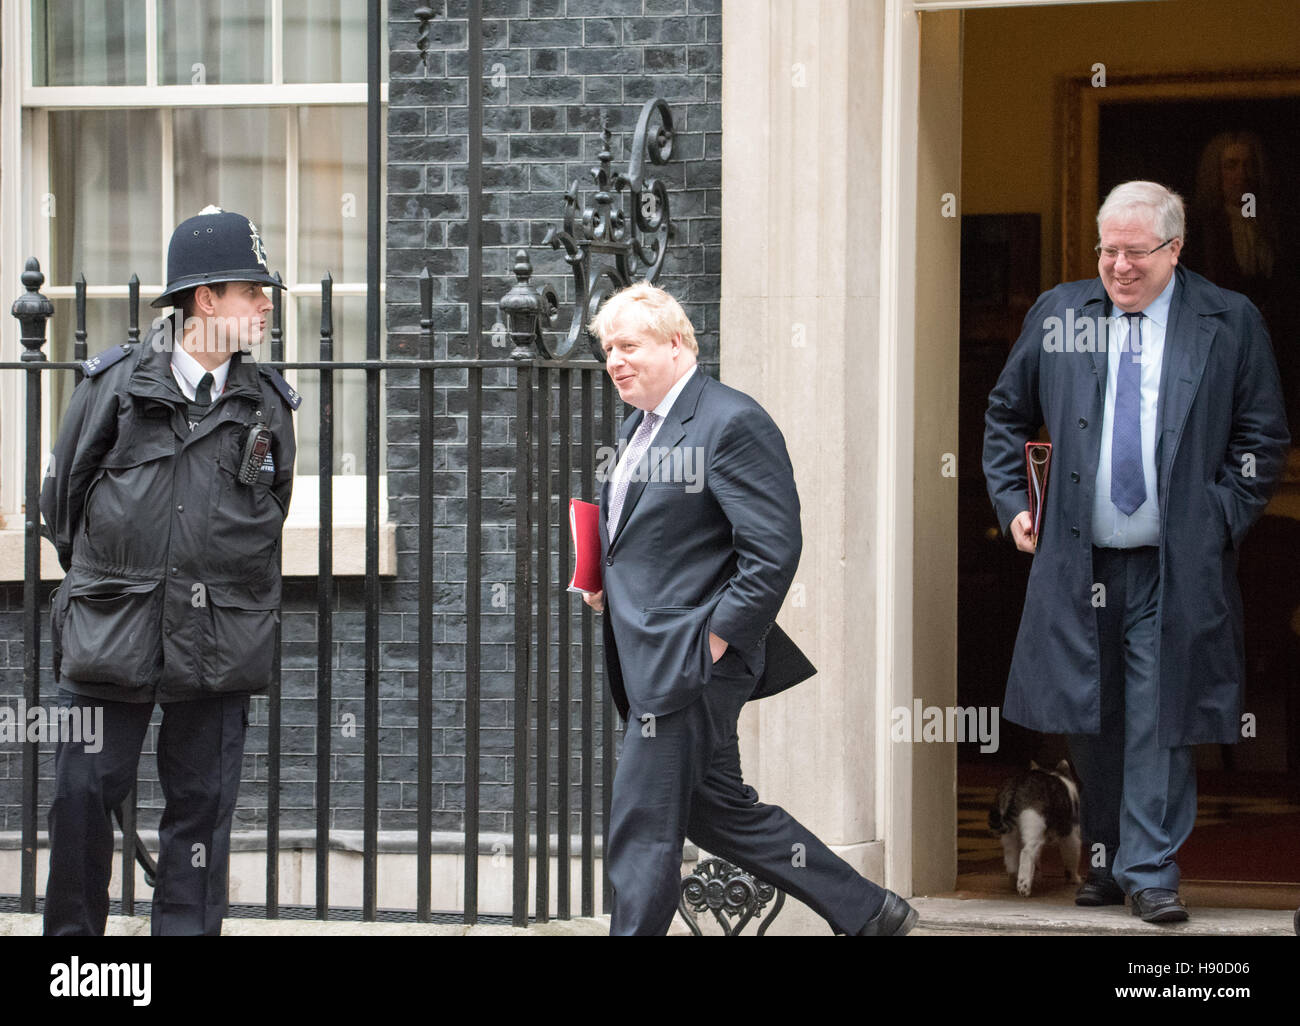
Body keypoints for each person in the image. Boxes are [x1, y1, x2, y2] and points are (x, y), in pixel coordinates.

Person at [982, 181, 1289, 923]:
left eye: (1135, 253)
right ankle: (1108, 858)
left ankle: (1150, 869)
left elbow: (1261, 437)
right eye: (1107, 250)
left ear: (1174, 249)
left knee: (1159, 710)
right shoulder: (1061, 313)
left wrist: (1215, 518)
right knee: (1089, 712)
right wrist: (1019, 505)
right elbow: (1005, 416)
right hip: (1079, 560)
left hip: (1172, 564)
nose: (1117, 267)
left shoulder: (1226, 319)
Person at [582, 281, 915, 936]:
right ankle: (869, 911)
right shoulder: (635, 430)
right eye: (607, 351)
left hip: (688, 662)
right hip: (654, 655)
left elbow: (773, 549)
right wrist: (603, 583)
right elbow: (647, 542)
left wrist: (717, 639)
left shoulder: (730, 420)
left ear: (677, 343)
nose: (615, 361)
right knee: (719, 813)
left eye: (629, 346)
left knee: (642, 826)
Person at [41, 205, 300, 935]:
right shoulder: (114, 387)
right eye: (252, 290)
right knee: (83, 800)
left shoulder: (267, 405)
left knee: (201, 817)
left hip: (216, 641)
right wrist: (120, 581)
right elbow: (61, 505)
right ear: (204, 299)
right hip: (110, 632)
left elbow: (267, 508)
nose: (265, 303)